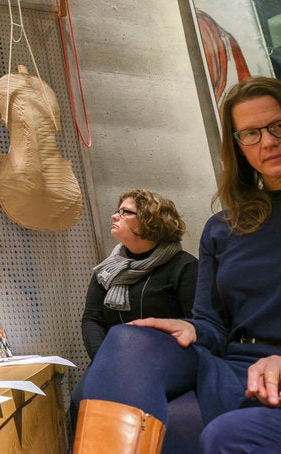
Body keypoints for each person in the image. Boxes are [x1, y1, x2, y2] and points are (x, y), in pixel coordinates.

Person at [73, 76, 281, 453]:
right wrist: (190, 326)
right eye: (250, 134)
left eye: (277, 126)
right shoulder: (225, 227)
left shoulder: (179, 264)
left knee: (187, 433)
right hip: (232, 366)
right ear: (238, 148)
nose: (267, 141)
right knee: (129, 340)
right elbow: (213, 325)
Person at [70, 190, 197, 435]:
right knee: (81, 399)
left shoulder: (185, 267)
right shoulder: (107, 270)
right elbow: (92, 320)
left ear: (152, 221)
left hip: (165, 362)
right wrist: (105, 361)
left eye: (125, 212)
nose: (114, 216)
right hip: (112, 359)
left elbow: (195, 323)